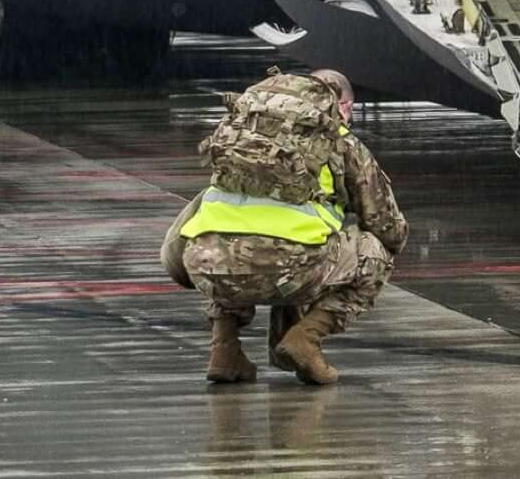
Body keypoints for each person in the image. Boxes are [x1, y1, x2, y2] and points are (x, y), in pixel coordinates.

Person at [159, 66, 409, 390]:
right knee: (374, 254)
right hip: (287, 269)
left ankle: (224, 348)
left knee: (224, 244)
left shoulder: (243, 134)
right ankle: (306, 338)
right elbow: (387, 226)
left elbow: (177, 246)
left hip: (208, 267)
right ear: (344, 106)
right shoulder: (341, 141)